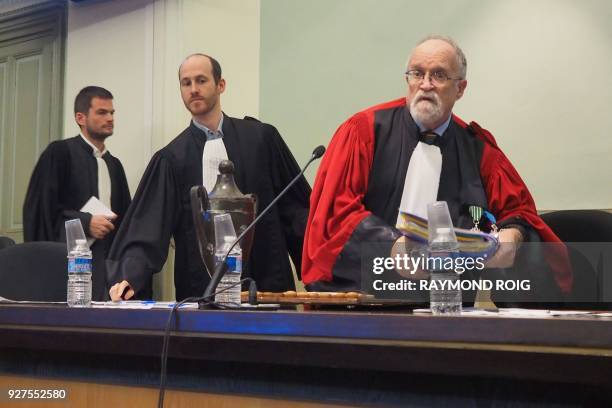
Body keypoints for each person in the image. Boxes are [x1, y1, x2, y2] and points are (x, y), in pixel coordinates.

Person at [302, 35, 571, 295]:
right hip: (367, 301)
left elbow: (519, 211)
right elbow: (335, 215)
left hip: (449, 305)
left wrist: (512, 236)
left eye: (439, 75)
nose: (426, 84)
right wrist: (392, 248)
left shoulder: (480, 150)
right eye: (417, 73)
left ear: (460, 88)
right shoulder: (364, 132)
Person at [107, 54, 310, 301]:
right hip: (201, 291)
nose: (193, 89)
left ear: (220, 85)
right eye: (186, 83)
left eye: (201, 80)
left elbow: (296, 210)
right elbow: (148, 226)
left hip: (267, 284)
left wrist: (320, 273)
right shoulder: (172, 158)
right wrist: (130, 275)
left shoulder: (260, 139)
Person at [23, 86, 131, 300]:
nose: (110, 118)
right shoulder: (59, 153)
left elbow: (127, 217)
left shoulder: (114, 165)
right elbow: (40, 211)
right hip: (67, 267)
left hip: (108, 268)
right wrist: (85, 222)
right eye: (102, 112)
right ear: (80, 117)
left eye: (112, 113)